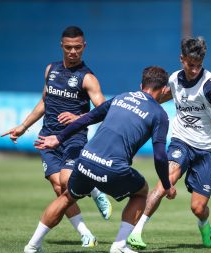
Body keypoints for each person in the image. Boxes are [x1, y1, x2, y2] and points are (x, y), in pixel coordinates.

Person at [24, 66, 176, 253]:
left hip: (85, 160)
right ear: (163, 90)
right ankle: (119, 246)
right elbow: (160, 156)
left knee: (66, 197)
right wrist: (167, 186)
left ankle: (32, 246)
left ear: (141, 85)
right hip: (112, 169)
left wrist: (59, 137)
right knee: (141, 192)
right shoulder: (159, 114)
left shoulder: (121, 97)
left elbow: (87, 118)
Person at [1, 26, 112, 248]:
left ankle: (94, 188)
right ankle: (86, 234)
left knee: (66, 181)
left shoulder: (87, 78)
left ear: (84, 47)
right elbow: (45, 101)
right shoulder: (50, 69)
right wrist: (23, 126)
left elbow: (103, 110)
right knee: (60, 190)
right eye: (69, 47)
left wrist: (78, 117)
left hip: (73, 137)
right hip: (46, 138)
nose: (73, 52)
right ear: (62, 46)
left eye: (77, 47)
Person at [127, 37, 211, 249]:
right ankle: (136, 232)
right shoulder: (174, 79)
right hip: (181, 141)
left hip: (207, 149)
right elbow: (158, 97)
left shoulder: (210, 84)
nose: (194, 70)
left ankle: (204, 225)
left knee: (198, 207)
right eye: (190, 65)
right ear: (181, 59)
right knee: (166, 181)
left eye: (198, 65)